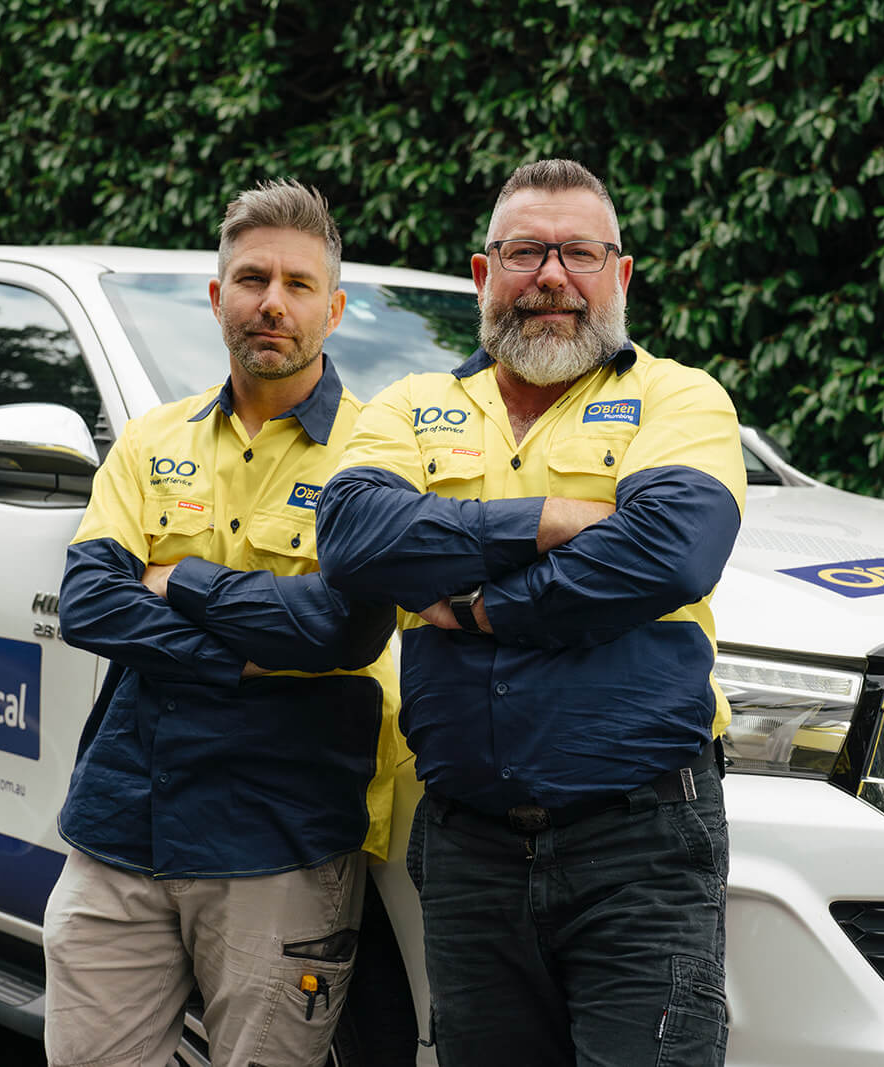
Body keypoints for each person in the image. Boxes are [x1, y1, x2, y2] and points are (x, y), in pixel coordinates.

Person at [315, 158, 745, 1066]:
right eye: (524, 253)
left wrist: (473, 608)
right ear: (483, 275)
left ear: (619, 275)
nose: (552, 277)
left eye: (579, 253)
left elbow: (669, 551)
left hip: (643, 850)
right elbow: (353, 536)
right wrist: (550, 519)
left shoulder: (679, 396)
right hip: (468, 849)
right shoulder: (412, 404)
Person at [43, 179, 400, 1067]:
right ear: (217, 296)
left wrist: (180, 579)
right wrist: (244, 662)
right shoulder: (150, 440)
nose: (271, 302)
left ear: (334, 307)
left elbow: (339, 631)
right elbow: (89, 600)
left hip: (277, 839)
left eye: (297, 283)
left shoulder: (378, 455)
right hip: (122, 827)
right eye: (250, 279)